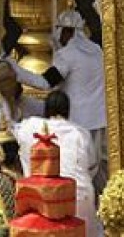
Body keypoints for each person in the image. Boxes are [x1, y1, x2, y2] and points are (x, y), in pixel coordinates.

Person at [4, 10, 107, 192]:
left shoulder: (68, 54)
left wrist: (15, 68)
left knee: (73, 164)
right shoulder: (97, 50)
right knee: (94, 166)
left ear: (67, 31)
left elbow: (45, 83)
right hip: (99, 119)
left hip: (75, 120)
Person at [15, 92, 101, 237]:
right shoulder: (80, 133)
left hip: (43, 198)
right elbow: (91, 165)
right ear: (68, 110)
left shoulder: (28, 127)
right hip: (79, 194)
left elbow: (6, 126)